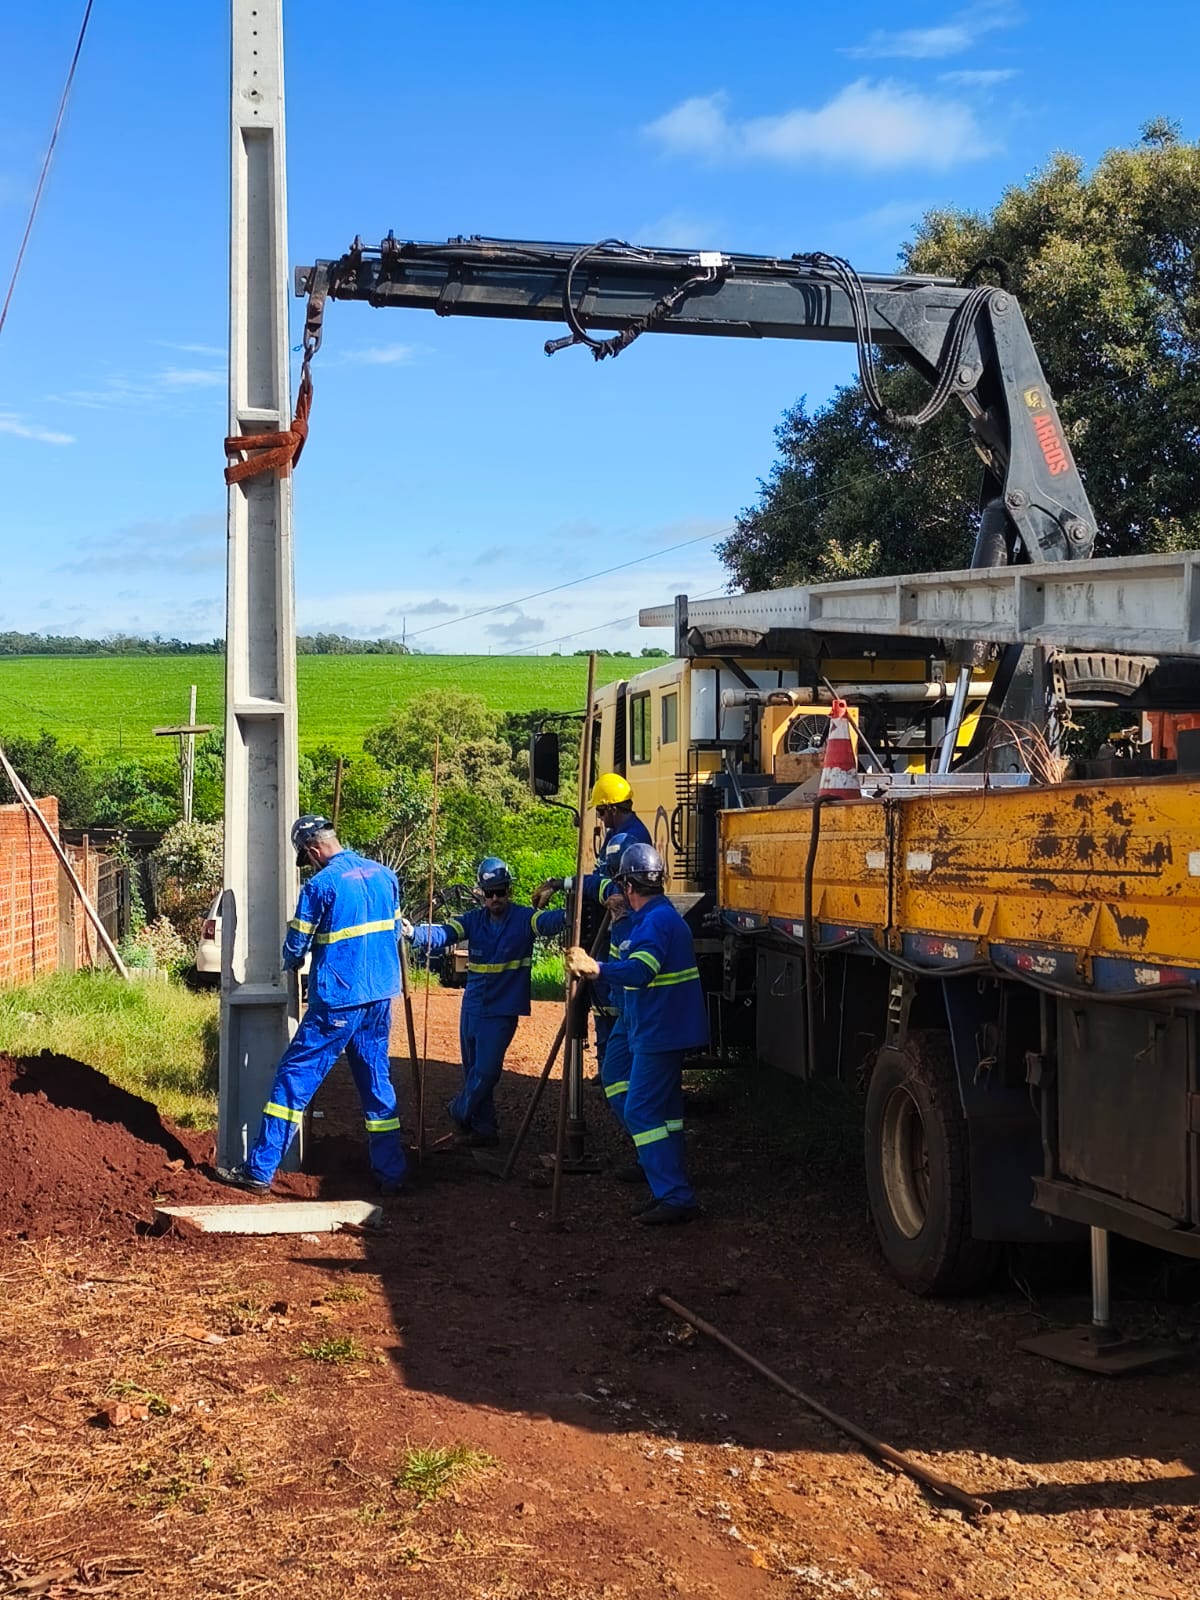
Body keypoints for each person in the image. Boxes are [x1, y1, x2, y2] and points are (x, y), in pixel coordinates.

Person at [216, 815, 408, 1197]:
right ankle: (393, 1174)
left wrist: (287, 963)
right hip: (379, 997)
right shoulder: (385, 876)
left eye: (308, 857)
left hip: (338, 1000)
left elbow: (295, 946)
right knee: (376, 1083)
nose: (311, 863)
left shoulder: (320, 885)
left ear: (313, 849)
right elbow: (397, 931)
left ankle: (259, 1171)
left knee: (294, 1080)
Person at [565, 841, 706, 1225]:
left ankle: (674, 1193)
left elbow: (641, 970)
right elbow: (635, 958)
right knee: (651, 1102)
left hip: (660, 1029)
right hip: (652, 1024)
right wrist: (619, 923)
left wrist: (596, 969)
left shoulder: (656, 922)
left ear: (628, 886)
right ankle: (665, 1176)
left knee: (641, 1110)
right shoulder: (652, 917)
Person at [407, 857, 565, 1147]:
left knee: (487, 1071)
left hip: (502, 1010)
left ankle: (459, 1110)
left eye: (500, 892)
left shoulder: (524, 919)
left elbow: (548, 922)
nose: (495, 899)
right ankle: (483, 1129)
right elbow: (445, 933)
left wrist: (574, 912)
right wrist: (413, 933)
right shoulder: (473, 921)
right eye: (490, 893)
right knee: (472, 1070)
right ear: (482, 893)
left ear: (509, 891)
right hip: (473, 1007)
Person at [534, 773, 652, 1072]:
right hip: (611, 928)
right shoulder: (619, 834)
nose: (600, 817)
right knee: (605, 1000)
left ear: (612, 808)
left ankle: (612, 1068)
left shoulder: (627, 839)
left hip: (620, 930)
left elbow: (605, 886)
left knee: (612, 1001)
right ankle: (607, 1067)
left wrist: (562, 883)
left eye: (600, 811)